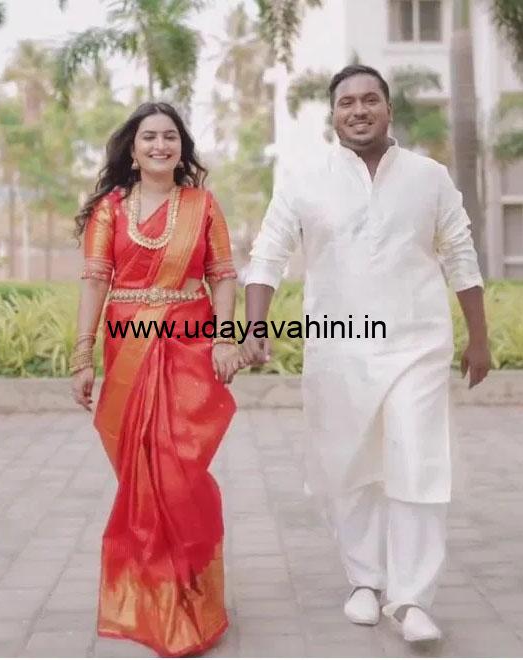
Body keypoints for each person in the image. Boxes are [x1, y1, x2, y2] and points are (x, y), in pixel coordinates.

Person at [242, 65, 491, 643]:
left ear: (388, 109)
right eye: (347, 102)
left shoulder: (429, 177)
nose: (359, 110)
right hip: (338, 345)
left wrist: (478, 337)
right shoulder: (306, 180)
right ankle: (364, 580)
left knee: (417, 460)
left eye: (370, 99)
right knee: (347, 464)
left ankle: (411, 597)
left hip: (417, 342)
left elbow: (459, 253)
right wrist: (254, 327)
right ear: (333, 115)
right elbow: (268, 254)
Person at [70, 102, 242, 657]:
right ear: (133, 148)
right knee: (139, 472)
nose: (160, 145)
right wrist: (82, 354)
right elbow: (95, 282)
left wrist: (225, 338)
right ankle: (152, 593)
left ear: (181, 147)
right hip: (128, 348)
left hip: (189, 344)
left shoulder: (202, 205)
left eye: (170, 136)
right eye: (149, 137)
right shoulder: (110, 210)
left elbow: (222, 275)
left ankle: (189, 593)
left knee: (177, 472)